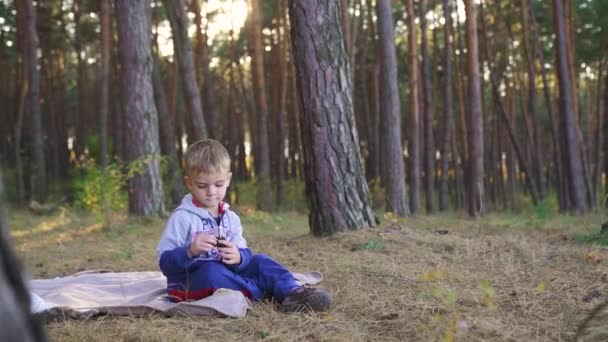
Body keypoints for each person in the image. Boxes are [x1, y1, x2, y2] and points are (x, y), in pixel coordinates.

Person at [156, 139, 331, 312]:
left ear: (228, 179)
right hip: (190, 284)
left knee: (260, 260)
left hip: (228, 274)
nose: (211, 192)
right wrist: (189, 251)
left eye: (218, 184)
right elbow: (165, 263)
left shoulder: (230, 217)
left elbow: (244, 253)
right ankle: (262, 290)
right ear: (189, 183)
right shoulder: (182, 217)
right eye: (202, 186)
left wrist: (238, 257)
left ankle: (292, 291)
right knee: (211, 271)